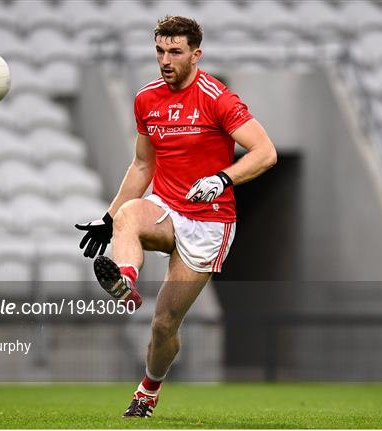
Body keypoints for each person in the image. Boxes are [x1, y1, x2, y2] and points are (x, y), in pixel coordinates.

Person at [75, 15, 277, 418]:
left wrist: (223, 178)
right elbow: (141, 167)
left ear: (196, 54)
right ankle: (126, 285)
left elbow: (265, 153)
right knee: (130, 215)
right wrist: (108, 217)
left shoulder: (218, 98)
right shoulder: (146, 98)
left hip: (209, 221)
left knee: (164, 325)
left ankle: (148, 390)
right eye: (159, 51)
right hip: (167, 207)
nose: (165, 60)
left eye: (175, 52)